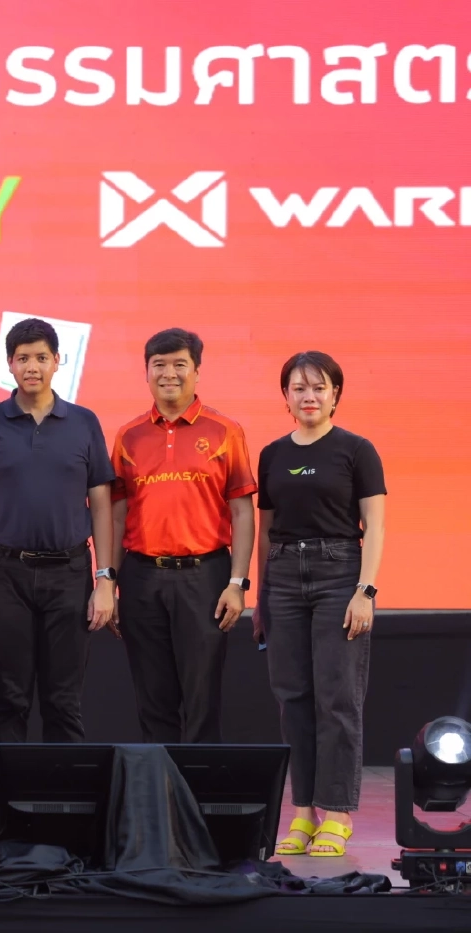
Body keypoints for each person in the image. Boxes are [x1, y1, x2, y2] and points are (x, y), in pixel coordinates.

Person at [0, 318, 116, 756]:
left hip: (69, 573)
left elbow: (101, 504)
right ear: (9, 364)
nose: (33, 366)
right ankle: (11, 812)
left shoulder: (84, 422)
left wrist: (105, 580)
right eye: (23, 358)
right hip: (3, 573)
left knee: (64, 701)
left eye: (41, 357)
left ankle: (64, 809)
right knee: (9, 699)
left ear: (57, 362)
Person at [255, 352, 386, 858]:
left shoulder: (356, 450)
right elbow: (265, 533)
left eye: (319, 387)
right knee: (293, 700)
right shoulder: (271, 454)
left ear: (335, 394)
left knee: (338, 699)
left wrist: (365, 590)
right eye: (299, 388)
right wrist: (262, 598)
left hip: (339, 575)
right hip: (284, 576)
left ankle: (337, 813)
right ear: (285, 396)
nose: (309, 396)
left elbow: (374, 525)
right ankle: (304, 811)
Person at [109, 328, 256, 744]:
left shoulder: (226, 430)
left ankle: (196, 800)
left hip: (206, 577)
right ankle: (160, 796)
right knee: (152, 697)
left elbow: (242, 510)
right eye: (159, 365)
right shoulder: (128, 435)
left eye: (179, 364)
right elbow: (118, 513)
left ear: (196, 371)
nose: (168, 374)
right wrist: (110, 581)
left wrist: (237, 583)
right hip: (141, 577)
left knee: (202, 695)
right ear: (146, 372)